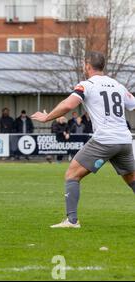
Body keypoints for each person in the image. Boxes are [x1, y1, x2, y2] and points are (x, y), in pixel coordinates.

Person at [32, 51, 135, 228]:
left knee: (72, 174)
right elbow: (132, 104)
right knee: (131, 178)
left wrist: (46, 117)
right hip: (124, 140)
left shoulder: (87, 85)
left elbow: (68, 105)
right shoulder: (118, 85)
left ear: (87, 66)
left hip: (105, 140)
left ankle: (72, 221)